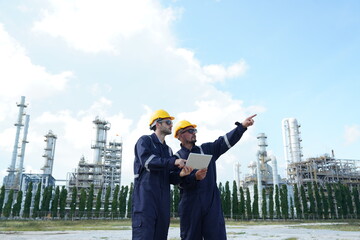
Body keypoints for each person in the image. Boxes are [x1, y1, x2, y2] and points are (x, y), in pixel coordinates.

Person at [173, 115, 256, 240]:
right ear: (180, 135)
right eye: (190, 131)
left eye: (194, 130)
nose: (194, 133)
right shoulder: (176, 158)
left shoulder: (207, 149)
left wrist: (242, 127)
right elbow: (176, 181)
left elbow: (224, 141)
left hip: (211, 204)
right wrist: (194, 177)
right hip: (190, 206)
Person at [132, 109, 192, 240]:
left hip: (163, 204)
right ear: (157, 124)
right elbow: (148, 162)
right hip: (145, 202)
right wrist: (174, 161)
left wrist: (181, 174)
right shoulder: (145, 141)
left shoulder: (168, 150)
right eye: (168, 122)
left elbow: (170, 177)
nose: (171, 125)